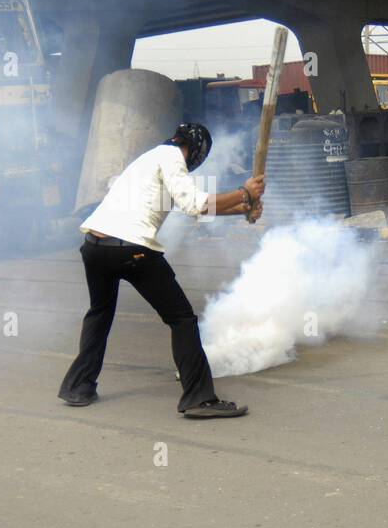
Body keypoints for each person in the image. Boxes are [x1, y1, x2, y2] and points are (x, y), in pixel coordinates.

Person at [59, 122, 264, 419]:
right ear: (196, 152)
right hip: (132, 250)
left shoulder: (149, 159)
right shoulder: (171, 158)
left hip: (95, 247)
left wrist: (243, 207)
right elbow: (197, 205)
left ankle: (78, 387)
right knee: (182, 319)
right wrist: (244, 191)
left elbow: (192, 208)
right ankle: (199, 399)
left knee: (99, 314)